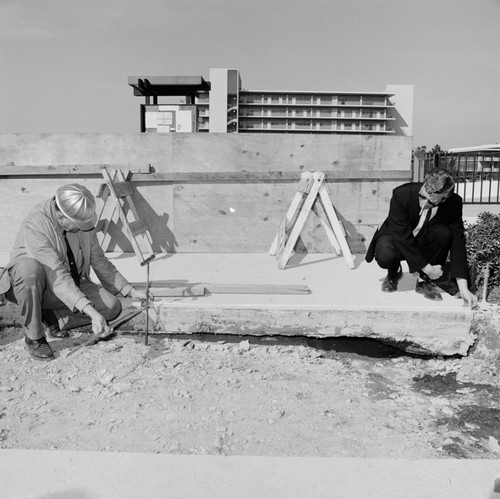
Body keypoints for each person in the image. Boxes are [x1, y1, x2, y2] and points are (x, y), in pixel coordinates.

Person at [1, 183, 148, 360]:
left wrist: (129, 290)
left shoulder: (81, 221)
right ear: (61, 217)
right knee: (29, 270)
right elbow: (56, 274)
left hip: (65, 284)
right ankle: (34, 337)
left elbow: (99, 260)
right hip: (30, 284)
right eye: (77, 225)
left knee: (111, 306)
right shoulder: (37, 223)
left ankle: (52, 317)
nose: (81, 228)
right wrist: (91, 313)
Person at [365, 168, 478, 309]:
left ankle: (424, 281)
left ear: (444, 198)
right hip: (395, 236)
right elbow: (401, 236)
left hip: (424, 236)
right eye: (422, 196)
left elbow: (458, 241)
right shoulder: (401, 194)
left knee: (444, 233)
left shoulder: (453, 203)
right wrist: (427, 267)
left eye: (430, 202)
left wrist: (464, 288)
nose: (423, 203)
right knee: (386, 254)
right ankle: (393, 272)